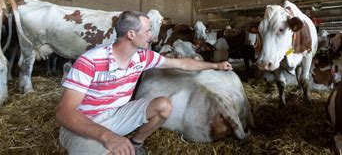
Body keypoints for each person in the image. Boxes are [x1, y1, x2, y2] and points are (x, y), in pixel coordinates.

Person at [56, 10, 232, 155]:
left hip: (116, 115)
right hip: (83, 125)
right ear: (131, 35)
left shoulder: (142, 57)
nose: (153, 37)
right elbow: (63, 113)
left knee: (163, 105)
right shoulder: (90, 61)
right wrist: (107, 136)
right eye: (148, 31)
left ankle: (136, 143)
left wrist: (215, 65)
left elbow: (182, 63)